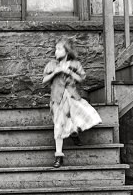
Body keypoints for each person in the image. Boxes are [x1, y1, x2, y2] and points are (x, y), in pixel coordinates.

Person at [42, 38, 102, 168]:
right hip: (57, 99)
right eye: (55, 49)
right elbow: (44, 80)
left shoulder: (75, 64)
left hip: (72, 97)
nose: (56, 52)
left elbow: (81, 78)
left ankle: (74, 132)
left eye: (59, 49)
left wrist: (69, 72)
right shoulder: (52, 65)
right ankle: (58, 156)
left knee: (80, 115)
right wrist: (55, 73)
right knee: (58, 125)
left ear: (67, 51)